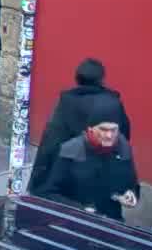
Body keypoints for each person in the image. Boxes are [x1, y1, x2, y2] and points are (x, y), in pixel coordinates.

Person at [29, 58, 134, 196]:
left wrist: (37, 182)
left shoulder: (65, 103)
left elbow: (51, 142)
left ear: (77, 79)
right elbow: (124, 134)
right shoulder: (112, 103)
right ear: (101, 79)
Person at [40, 99, 139, 221]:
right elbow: (48, 193)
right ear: (90, 129)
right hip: (73, 221)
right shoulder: (70, 150)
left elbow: (132, 183)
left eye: (113, 130)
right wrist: (80, 210)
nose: (109, 136)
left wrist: (130, 194)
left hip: (111, 221)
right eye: (103, 129)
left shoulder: (123, 148)